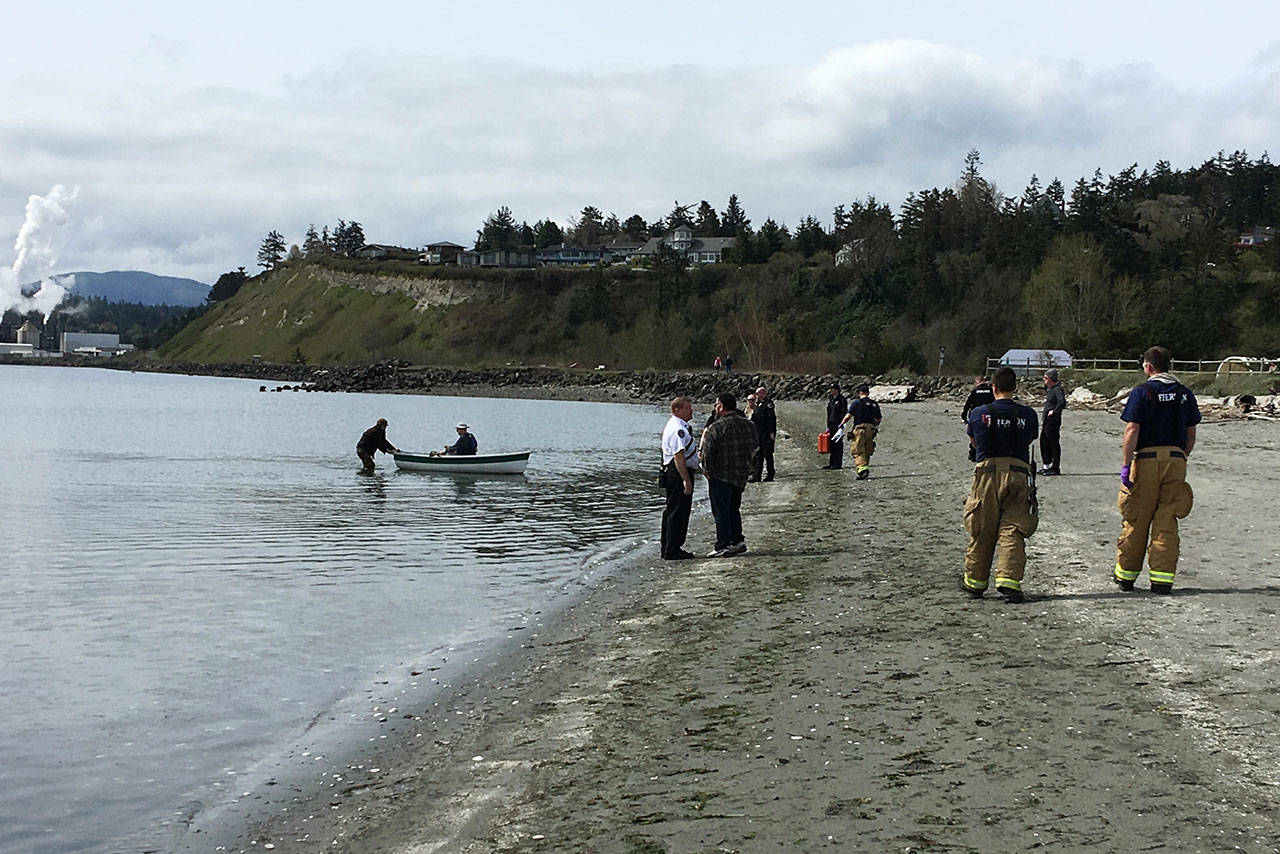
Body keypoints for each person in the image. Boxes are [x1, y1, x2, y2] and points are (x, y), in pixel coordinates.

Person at [1114, 346, 1201, 594]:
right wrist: (1182, 456)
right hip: (1176, 459)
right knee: (1167, 519)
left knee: (1137, 518)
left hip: (1148, 459)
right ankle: (1162, 579)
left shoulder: (1143, 392)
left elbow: (1132, 429)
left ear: (1149, 367)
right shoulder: (1185, 393)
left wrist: (1126, 464)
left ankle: (1126, 576)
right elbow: (1191, 433)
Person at [962, 366, 1039, 603]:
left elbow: (974, 440)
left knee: (982, 526)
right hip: (1018, 472)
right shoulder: (1028, 415)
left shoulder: (978, 413)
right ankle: (1009, 580)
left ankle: (975, 581)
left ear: (993, 387)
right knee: (1014, 526)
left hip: (987, 473)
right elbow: (1031, 438)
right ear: (1014, 388)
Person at [700, 392, 758, 557]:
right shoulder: (749, 425)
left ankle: (722, 545)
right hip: (740, 475)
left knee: (721, 511)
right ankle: (737, 540)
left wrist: (707, 471)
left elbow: (706, 454)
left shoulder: (715, 428)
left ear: (721, 406)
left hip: (721, 475)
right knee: (733, 509)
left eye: (716, 404)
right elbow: (755, 450)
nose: (716, 408)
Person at [660, 396, 700, 560]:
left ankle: (670, 546)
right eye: (687, 408)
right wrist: (686, 479)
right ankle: (672, 548)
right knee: (678, 511)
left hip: (677, 470)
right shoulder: (677, 428)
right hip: (677, 472)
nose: (691, 411)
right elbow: (679, 456)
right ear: (677, 410)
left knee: (674, 510)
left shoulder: (681, 426)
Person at [834, 384, 882, 479]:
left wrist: (842, 424)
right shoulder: (874, 404)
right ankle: (864, 468)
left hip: (860, 429)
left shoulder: (857, 403)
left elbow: (848, 416)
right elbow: (879, 419)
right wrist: (874, 426)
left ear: (860, 393)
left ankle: (862, 469)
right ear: (868, 392)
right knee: (867, 449)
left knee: (858, 450)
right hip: (871, 429)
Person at [961, 376, 995, 462]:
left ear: (977, 383)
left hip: (976, 416)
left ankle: (973, 454)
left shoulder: (975, 392)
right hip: (990, 416)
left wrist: (963, 416)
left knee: (975, 436)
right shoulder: (991, 391)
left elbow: (967, 405)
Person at [1039, 369, 1066, 475]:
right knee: (1044, 442)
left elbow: (1062, 402)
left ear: (1050, 379)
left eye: (1045, 378)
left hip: (1053, 420)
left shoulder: (1058, 389)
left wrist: (1054, 411)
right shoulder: (1050, 389)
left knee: (1053, 443)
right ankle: (1046, 465)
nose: (1044, 380)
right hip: (1047, 420)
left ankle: (1055, 468)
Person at [748, 385, 776, 482]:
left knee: (767, 454)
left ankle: (770, 474)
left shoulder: (768, 404)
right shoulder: (758, 404)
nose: (756, 395)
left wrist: (772, 432)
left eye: (758, 393)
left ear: (763, 393)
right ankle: (757, 475)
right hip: (759, 433)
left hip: (766, 433)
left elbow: (771, 419)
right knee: (758, 454)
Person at [823, 383, 847, 469]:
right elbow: (829, 413)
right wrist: (828, 426)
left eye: (833, 389)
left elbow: (844, 412)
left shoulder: (842, 400)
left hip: (838, 424)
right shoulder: (831, 400)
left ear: (837, 390)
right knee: (831, 444)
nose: (832, 391)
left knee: (838, 444)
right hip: (831, 424)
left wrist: (842, 425)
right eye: (831, 389)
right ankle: (831, 462)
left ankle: (837, 463)